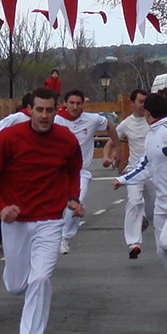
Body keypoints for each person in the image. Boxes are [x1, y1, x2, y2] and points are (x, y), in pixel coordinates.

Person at [0, 88, 83, 334]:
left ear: (56, 109)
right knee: (16, 285)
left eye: (49, 110)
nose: (45, 116)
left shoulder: (66, 140)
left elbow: (74, 170)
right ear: (30, 110)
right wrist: (0, 208)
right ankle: (15, 278)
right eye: (39, 110)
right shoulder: (10, 138)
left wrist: (73, 197)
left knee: (40, 279)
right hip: (16, 221)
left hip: (50, 220)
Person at [114, 92, 167, 308]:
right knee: (162, 252)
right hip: (163, 201)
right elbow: (145, 166)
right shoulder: (152, 134)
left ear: (148, 112)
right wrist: (123, 179)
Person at [57, 89, 118, 254]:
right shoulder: (56, 120)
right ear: (65, 104)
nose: (75, 107)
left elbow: (110, 126)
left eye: (78, 103)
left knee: (78, 201)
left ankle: (64, 237)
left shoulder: (92, 120)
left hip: (80, 171)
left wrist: (117, 148)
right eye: (71, 103)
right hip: (58, 171)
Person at [116, 89, 152, 258]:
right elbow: (112, 139)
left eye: (146, 101)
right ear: (132, 104)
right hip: (134, 170)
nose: (143, 105)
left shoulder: (152, 121)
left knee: (154, 209)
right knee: (134, 201)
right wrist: (111, 154)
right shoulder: (126, 124)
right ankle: (133, 243)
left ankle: (145, 218)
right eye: (140, 102)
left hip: (153, 171)